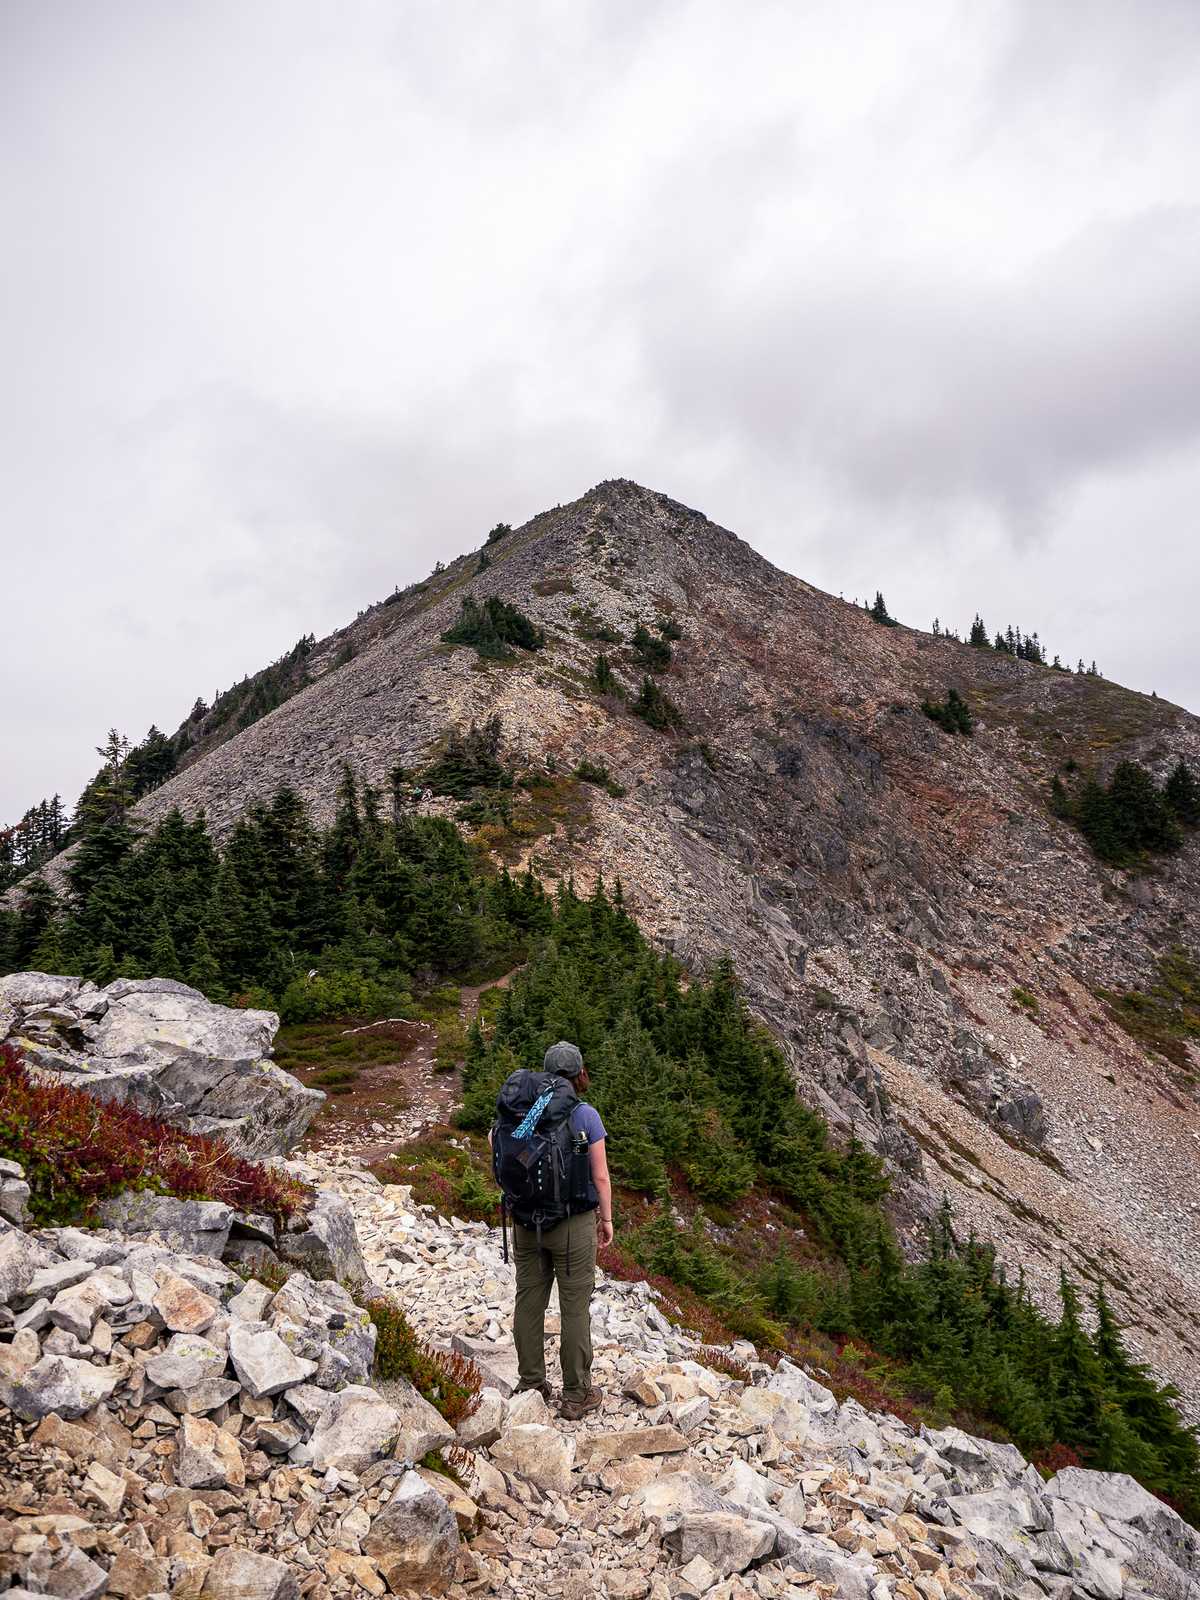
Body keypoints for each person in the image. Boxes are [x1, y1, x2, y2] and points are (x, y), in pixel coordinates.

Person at [510, 1040, 613, 1420]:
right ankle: (575, 1394)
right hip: (573, 1224)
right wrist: (606, 1220)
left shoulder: (526, 1109)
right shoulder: (585, 1114)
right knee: (573, 1308)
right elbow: (600, 1177)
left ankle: (531, 1382)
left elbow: (498, 1145)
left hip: (526, 1223)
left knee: (529, 1300)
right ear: (578, 1073)